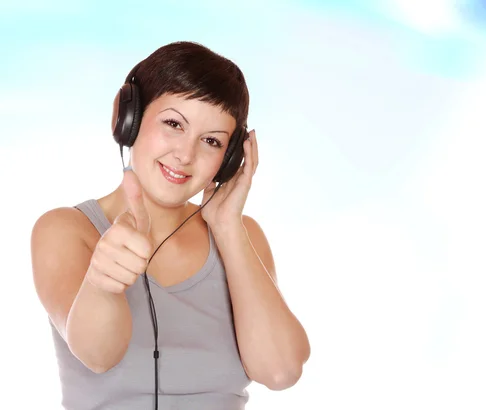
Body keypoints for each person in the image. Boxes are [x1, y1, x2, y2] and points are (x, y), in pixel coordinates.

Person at [30, 41, 310, 410]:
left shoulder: (245, 237)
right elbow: (98, 355)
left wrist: (227, 228)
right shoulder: (66, 230)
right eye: (173, 123)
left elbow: (280, 372)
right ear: (128, 119)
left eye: (211, 141)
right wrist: (101, 281)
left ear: (229, 161)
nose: (186, 154)